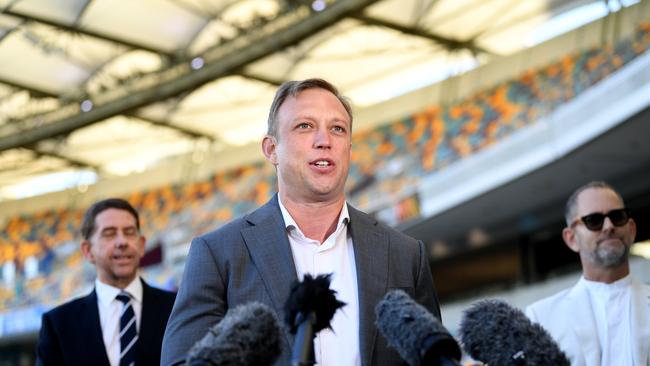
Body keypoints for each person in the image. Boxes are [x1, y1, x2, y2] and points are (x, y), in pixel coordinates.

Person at [161, 78, 441, 366]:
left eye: (338, 129)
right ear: (271, 149)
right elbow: (180, 361)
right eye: (305, 126)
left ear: (349, 149)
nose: (324, 140)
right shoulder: (218, 253)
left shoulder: (406, 255)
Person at [36, 198, 176, 366]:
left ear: (141, 245)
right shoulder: (58, 324)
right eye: (109, 234)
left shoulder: (176, 307)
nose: (122, 242)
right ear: (88, 251)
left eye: (129, 232)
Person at [526, 181, 650, 366]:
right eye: (594, 220)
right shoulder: (541, 317)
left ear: (631, 229)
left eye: (617, 217)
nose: (608, 226)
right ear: (571, 239)